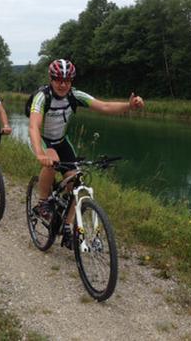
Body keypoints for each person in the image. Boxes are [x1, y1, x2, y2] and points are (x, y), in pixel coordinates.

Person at [29, 59, 144, 249]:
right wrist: (40, 153)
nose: (63, 84)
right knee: (51, 162)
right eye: (58, 80)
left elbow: (104, 107)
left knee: (76, 181)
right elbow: (34, 126)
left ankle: (67, 227)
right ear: (51, 79)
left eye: (67, 80)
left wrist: (128, 106)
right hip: (43, 139)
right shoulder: (42, 97)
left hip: (61, 141)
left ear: (72, 81)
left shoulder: (75, 95)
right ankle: (42, 203)